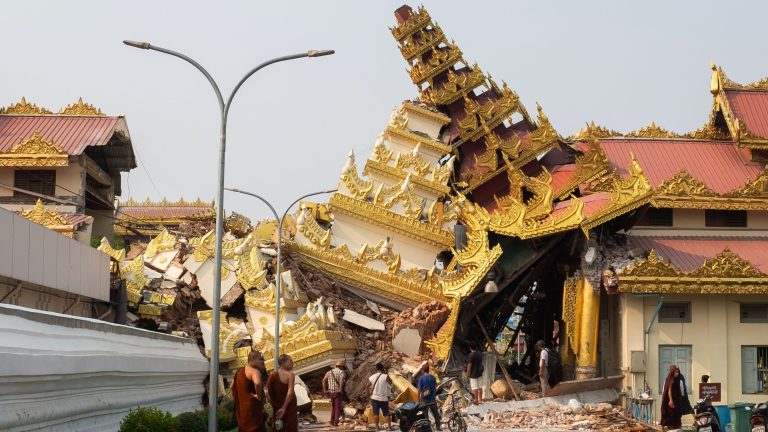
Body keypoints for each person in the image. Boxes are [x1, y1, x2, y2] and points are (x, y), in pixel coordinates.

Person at [231, 350, 267, 432]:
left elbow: (231, 387)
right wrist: (258, 395)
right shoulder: (254, 371)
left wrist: (237, 399)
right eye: (260, 359)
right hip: (252, 409)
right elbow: (257, 383)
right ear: (252, 359)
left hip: (241, 409)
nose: (262, 362)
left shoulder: (239, 371)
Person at [267, 354, 297, 432]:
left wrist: (275, 405)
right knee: (290, 427)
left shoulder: (272, 376)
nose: (292, 362)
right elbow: (290, 393)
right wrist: (283, 408)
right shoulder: (290, 375)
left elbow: (268, 394)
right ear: (283, 363)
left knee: (279, 428)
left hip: (277, 408)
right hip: (288, 406)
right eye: (290, 361)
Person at [368, 362, 393, 430]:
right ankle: (389, 427)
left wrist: (369, 394)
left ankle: (377, 427)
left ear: (376, 369)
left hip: (375, 398)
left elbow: (366, 387)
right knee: (386, 414)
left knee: (376, 414)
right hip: (384, 398)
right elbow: (391, 382)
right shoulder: (385, 376)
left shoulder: (372, 377)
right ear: (383, 368)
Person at [322, 359, 347, 427]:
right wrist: (340, 389)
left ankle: (331, 421)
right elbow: (342, 380)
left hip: (331, 392)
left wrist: (325, 390)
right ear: (341, 366)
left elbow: (324, 380)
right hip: (337, 392)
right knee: (337, 408)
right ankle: (336, 422)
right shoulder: (342, 372)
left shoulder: (329, 372)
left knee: (333, 407)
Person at [416, 363, 441, 431]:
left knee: (425, 415)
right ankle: (438, 427)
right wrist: (433, 395)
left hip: (424, 399)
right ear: (428, 370)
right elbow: (435, 388)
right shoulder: (433, 377)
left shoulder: (421, 378)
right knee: (435, 413)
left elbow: (419, 389)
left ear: (423, 370)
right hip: (432, 399)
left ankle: (428, 428)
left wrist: (418, 398)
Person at [660, 365, 683, 430]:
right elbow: (669, 390)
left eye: (678, 372)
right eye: (675, 372)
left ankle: (676, 426)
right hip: (670, 400)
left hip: (676, 400)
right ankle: (664, 426)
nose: (677, 373)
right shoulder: (670, 380)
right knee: (669, 413)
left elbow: (681, 391)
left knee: (676, 413)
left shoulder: (678, 380)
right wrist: (670, 400)